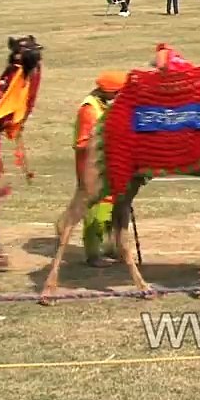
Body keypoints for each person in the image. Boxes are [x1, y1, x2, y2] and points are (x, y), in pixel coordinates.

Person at [74, 71, 127, 266]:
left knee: (111, 206)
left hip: (108, 164)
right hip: (91, 167)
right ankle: (93, 254)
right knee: (96, 208)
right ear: (108, 91)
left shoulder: (105, 105)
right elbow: (82, 143)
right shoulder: (89, 110)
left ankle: (110, 247)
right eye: (117, 92)